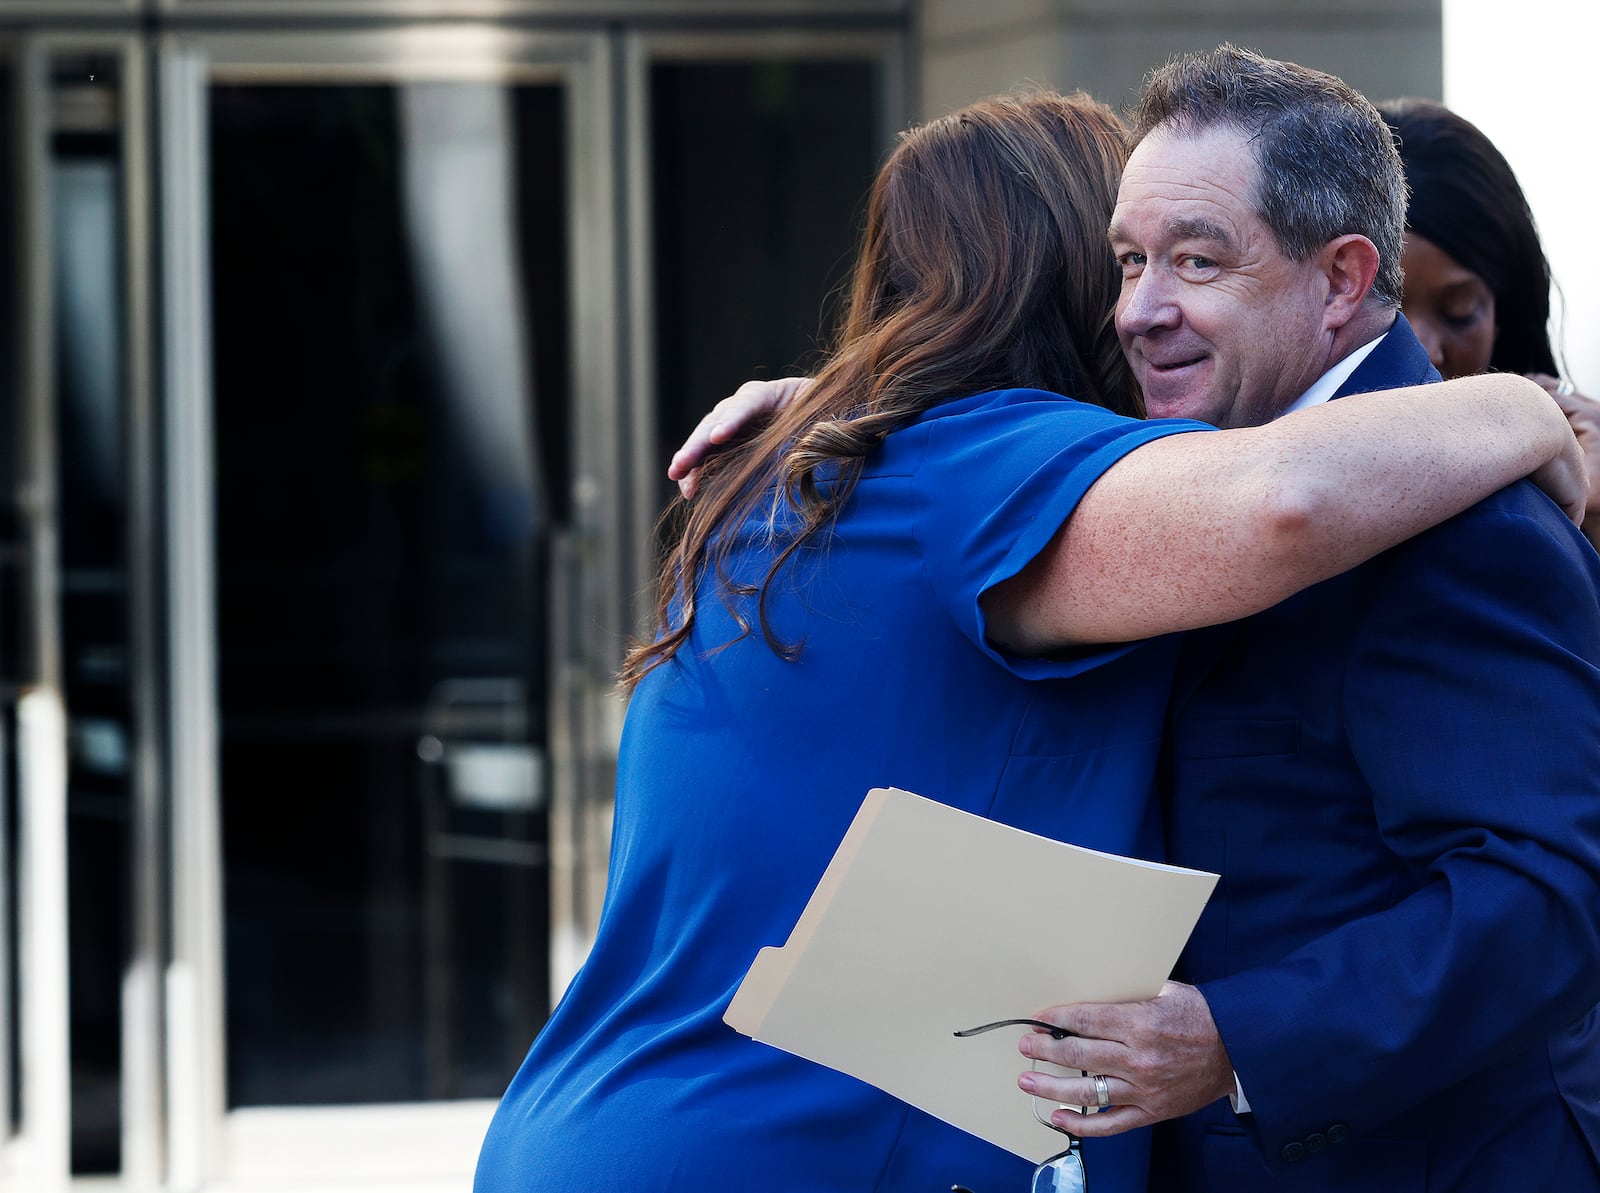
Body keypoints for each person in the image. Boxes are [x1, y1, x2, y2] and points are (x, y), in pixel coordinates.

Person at [476, 91, 1584, 1193]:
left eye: (1192, 260)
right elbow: (1280, 501)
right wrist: (1528, 410)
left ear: (1337, 277)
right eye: (1124, 261)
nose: (1140, 307)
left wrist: (1236, 1038)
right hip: (758, 1141)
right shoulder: (983, 471)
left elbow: (1551, 884)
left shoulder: (1440, 516)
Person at [1378, 95, 1600, 549]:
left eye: (1459, 313)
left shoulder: (1565, 472)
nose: (1425, 348)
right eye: (1385, 310)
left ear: (1504, 315)